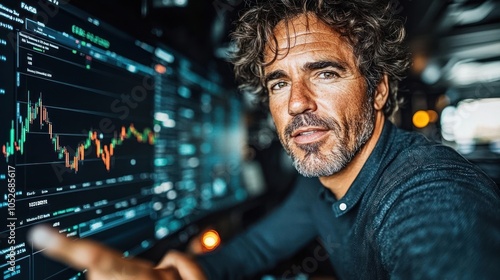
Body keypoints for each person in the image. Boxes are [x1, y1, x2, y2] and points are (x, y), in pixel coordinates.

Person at [29, 0, 500, 279]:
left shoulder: (429, 192)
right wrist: (175, 276)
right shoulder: (324, 183)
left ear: (377, 90)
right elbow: (253, 251)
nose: (296, 103)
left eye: (325, 73)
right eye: (278, 83)